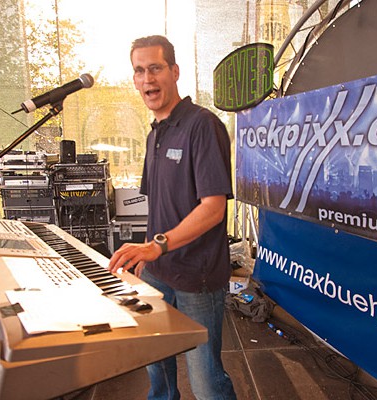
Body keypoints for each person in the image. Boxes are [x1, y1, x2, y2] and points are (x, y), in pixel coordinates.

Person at [108, 35, 237, 400]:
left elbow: (213, 208)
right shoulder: (154, 134)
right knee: (156, 365)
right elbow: (162, 204)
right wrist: (143, 259)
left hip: (197, 276)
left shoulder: (202, 125)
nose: (147, 79)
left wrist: (155, 246)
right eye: (139, 71)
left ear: (174, 71)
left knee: (206, 378)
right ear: (134, 80)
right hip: (158, 271)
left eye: (155, 68)